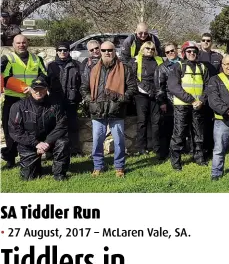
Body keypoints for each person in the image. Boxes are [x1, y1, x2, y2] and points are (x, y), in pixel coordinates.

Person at [80, 41, 136, 177]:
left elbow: (132, 88)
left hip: (116, 110)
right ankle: (98, 166)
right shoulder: (92, 68)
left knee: (118, 141)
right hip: (97, 110)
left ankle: (119, 166)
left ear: (114, 51)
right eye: (104, 50)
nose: (107, 53)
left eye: (109, 50)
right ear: (100, 51)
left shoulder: (125, 68)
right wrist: (90, 100)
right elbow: (83, 88)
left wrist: (120, 99)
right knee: (98, 140)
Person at [8, 76, 69, 181]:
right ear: (30, 89)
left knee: (63, 142)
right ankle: (35, 167)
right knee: (28, 177)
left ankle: (59, 174)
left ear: (46, 89)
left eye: (41, 89)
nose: (38, 92)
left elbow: (62, 125)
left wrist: (47, 142)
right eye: (35, 89)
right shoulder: (18, 106)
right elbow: (15, 130)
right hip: (30, 142)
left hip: (49, 141)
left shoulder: (55, 105)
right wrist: (36, 143)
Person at [1, 34, 47, 168]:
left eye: (24, 42)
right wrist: (23, 88)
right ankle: (10, 159)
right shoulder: (7, 58)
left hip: (32, 99)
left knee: (32, 129)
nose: (21, 45)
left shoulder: (36, 59)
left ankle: (31, 155)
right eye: (18, 43)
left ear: (28, 44)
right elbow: (4, 77)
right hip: (13, 100)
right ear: (13, 45)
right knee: (10, 130)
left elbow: (43, 75)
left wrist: (35, 87)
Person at [167, 41, 210, 169]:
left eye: (194, 51)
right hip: (182, 105)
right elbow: (174, 87)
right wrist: (191, 99)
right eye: (189, 51)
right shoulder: (178, 66)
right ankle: (176, 161)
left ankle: (199, 158)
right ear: (184, 53)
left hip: (198, 105)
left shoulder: (202, 67)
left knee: (199, 133)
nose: (192, 53)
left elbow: (208, 86)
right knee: (179, 133)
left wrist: (201, 100)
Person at [46, 41, 82, 156]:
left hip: (72, 100)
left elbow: (81, 83)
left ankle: (74, 150)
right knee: (53, 126)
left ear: (68, 52)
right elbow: (45, 83)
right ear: (57, 52)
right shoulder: (51, 66)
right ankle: (51, 151)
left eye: (65, 50)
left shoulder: (76, 65)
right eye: (60, 50)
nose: (63, 52)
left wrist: (79, 96)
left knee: (73, 125)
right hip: (55, 101)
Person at [133, 41, 165, 159]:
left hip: (156, 95)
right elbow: (134, 78)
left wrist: (158, 94)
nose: (150, 51)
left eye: (152, 49)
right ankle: (141, 148)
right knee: (142, 121)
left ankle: (156, 147)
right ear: (142, 49)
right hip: (141, 94)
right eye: (147, 48)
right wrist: (145, 89)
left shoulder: (159, 60)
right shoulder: (136, 61)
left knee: (156, 122)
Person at [154, 42, 181, 161]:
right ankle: (164, 152)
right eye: (167, 52)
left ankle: (181, 150)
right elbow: (159, 87)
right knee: (167, 129)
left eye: (172, 50)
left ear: (177, 50)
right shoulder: (162, 67)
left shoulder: (184, 64)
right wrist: (162, 102)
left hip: (183, 100)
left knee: (181, 128)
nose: (170, 53)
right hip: (169, 102)